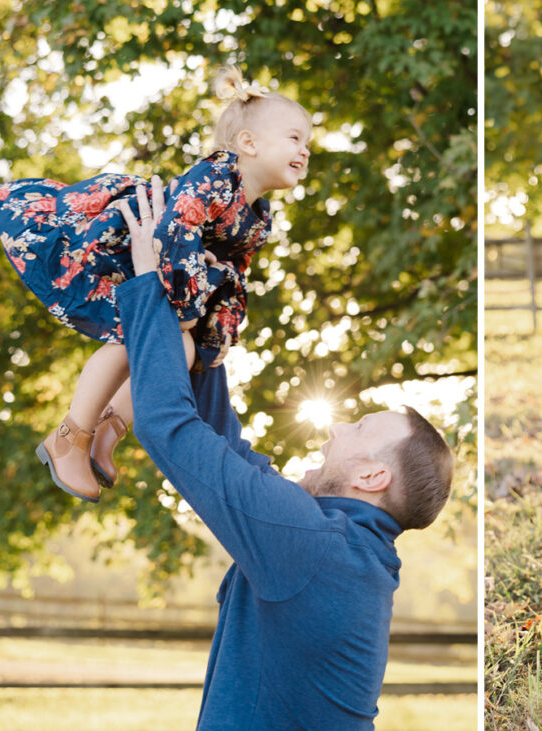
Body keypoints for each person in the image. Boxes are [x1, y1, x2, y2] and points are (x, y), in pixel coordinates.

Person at [115, 177, 455, 728]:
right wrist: (205, 321)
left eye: (361, 426)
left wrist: (147, 284)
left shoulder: (314, 544)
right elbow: (223, 447)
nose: (339, 425)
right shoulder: (337, 544)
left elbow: (167, 426)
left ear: (372, 475)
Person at [0, 66, 311, 503]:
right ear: (248, 143)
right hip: (126, 251)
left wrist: (210, 322)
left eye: (308, 142)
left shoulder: (260, 216)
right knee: (132, 339)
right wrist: (187, 308)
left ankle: (108, 430)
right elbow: (176, 228)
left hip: (179, 278)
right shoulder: (216, 176)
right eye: (295, 138)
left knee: (179, 353)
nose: (306, 150)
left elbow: (235, 270)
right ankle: (69, 435)